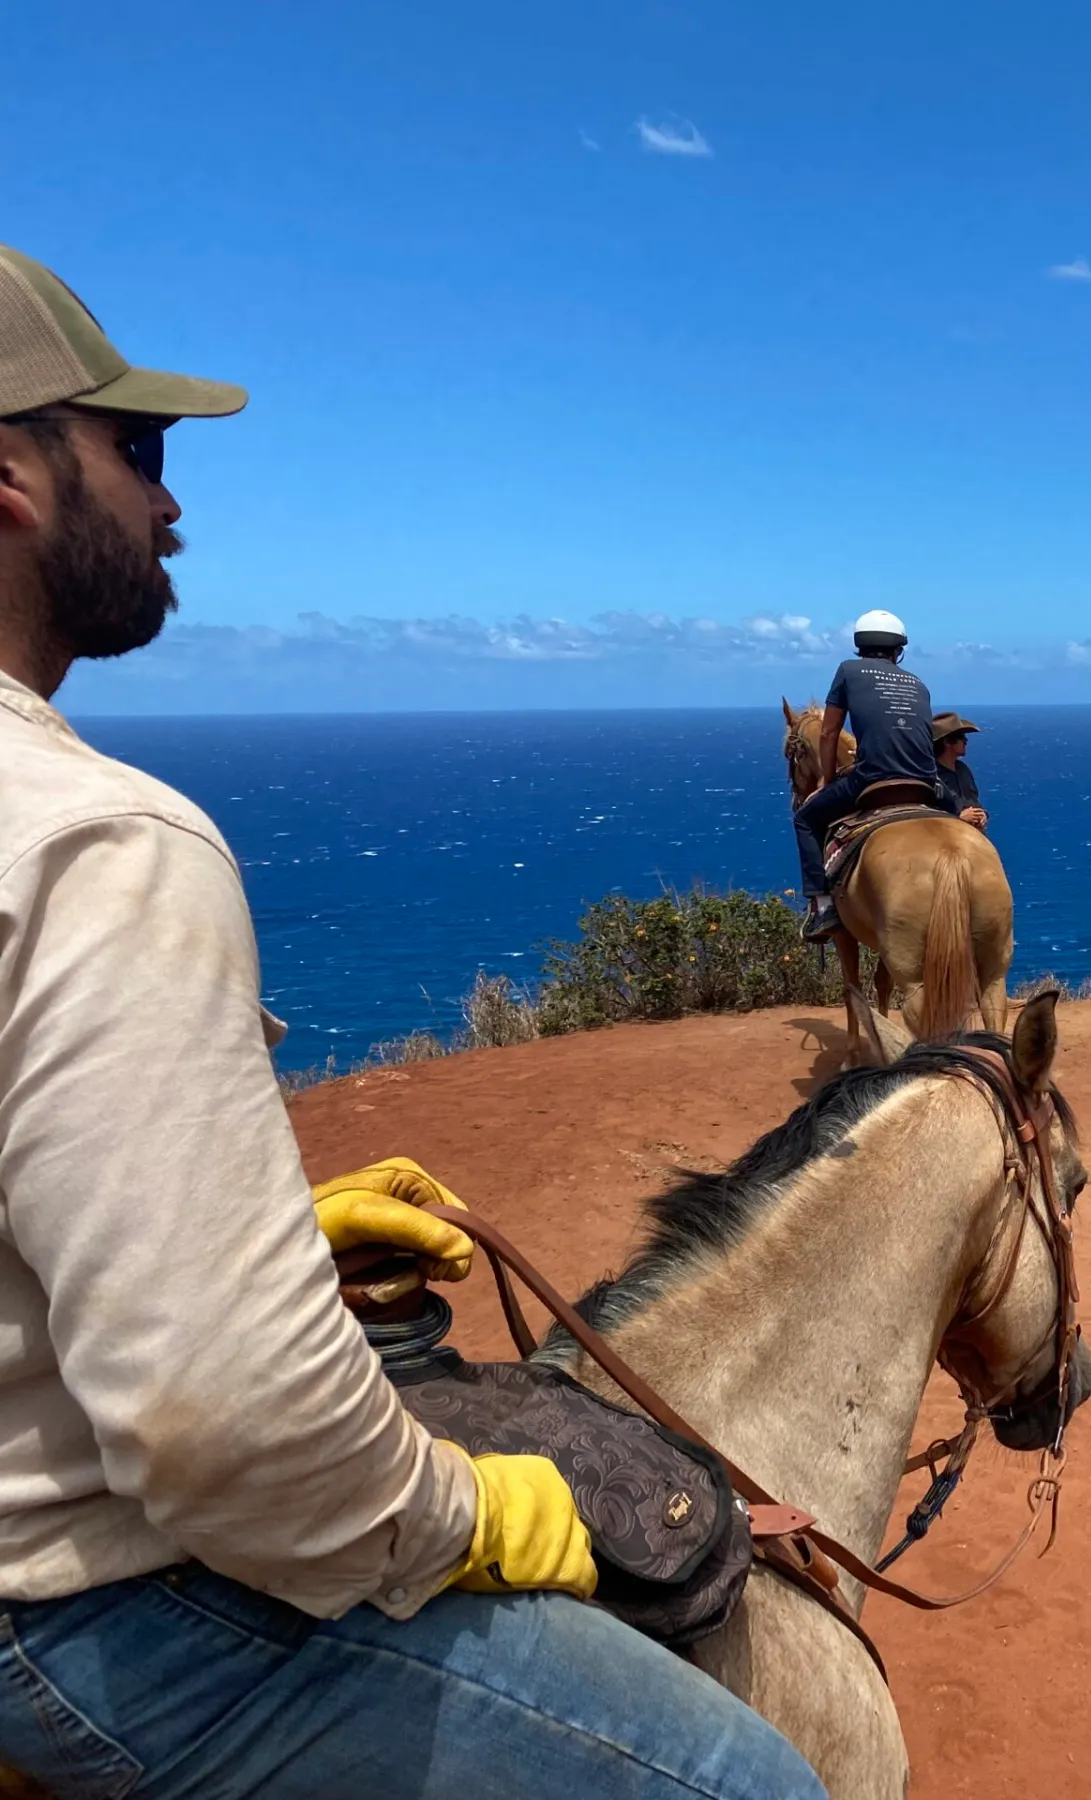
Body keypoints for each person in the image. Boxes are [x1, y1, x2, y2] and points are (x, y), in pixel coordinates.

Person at [0, 242, 824, 1798]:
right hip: (80, 1605)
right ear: (11, 477)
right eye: (138, 448)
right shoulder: (99, 843)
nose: (173, 502)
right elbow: (216, 1428)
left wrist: (249, 1227)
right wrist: (481, 1514)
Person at [793, 609, 954, 938]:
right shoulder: (918, 683)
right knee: (958, 819)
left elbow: (828, 734)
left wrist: (825, 780)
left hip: (872, 779)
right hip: (927, 782)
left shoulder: (847, 671)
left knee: (805, 820)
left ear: (860, 645)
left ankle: (823, 906)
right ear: (899, 650)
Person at [931, 710, 988, 830]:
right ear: (947, 742)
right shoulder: (931, 775)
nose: (966, 741)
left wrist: (982, 814)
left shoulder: (963, 769)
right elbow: (925, 814)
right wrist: (957, 818)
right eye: (961, 737)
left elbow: (973, 800)